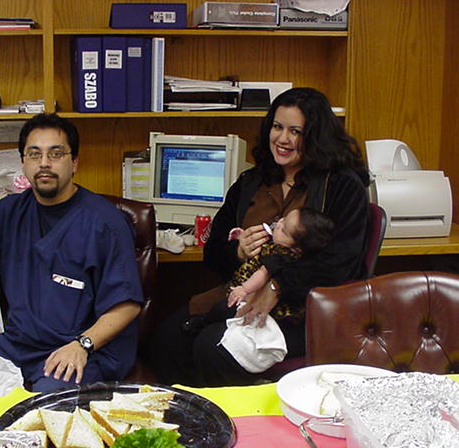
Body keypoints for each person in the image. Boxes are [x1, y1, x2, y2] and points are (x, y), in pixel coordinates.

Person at [0, 113, 143, 395]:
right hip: (19, 343)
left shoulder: (104, 223)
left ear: (74, 163)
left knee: (50, 401)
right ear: (23, 163)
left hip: (79, 347)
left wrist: (83, 345)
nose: (44, 163)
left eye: (56, 154)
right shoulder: (12, 211)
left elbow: (127, 304)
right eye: (34, 154)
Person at [150, 87, 370, 387]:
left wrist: (278, 284)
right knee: (166, 341)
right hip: (238, 295)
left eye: (296, 131)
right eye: (277, 127)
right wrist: (238, 251)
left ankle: (238, 414)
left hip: (302, 310)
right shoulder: (251, 181)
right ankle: (194, 412)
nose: (283, 139)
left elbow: (341, 264)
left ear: (316, 136)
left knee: (212, 347)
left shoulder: (342, 185)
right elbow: (212, 252)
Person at [227, 207, 335, 308]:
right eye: (284, 218)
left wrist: (244, 289)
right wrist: (241, 237)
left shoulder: (282, 256)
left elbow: (263, 274)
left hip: (252, 297)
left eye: (283, 230)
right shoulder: (276, 241)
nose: (279, 223)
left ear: (296, 249)